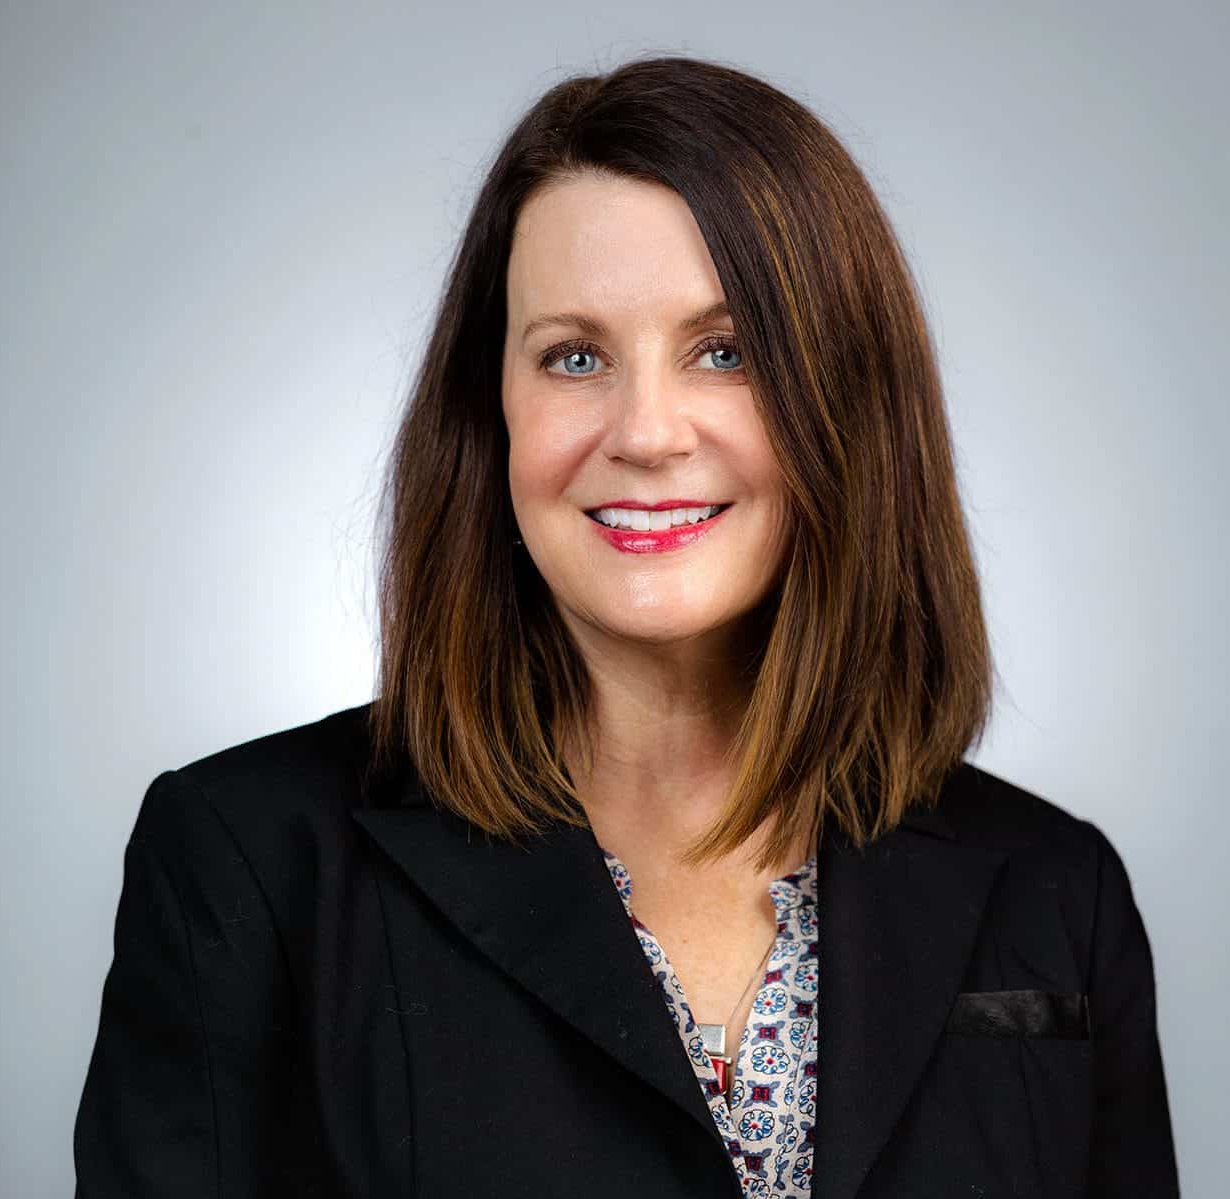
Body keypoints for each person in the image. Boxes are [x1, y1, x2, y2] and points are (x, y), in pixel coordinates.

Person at [73, 53, 1180, 1198]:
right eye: (575, 356)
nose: (647, 432)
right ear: (488, 413)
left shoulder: (1058, 888)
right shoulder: (247, 863)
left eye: (727, 351)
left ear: (850, 401)